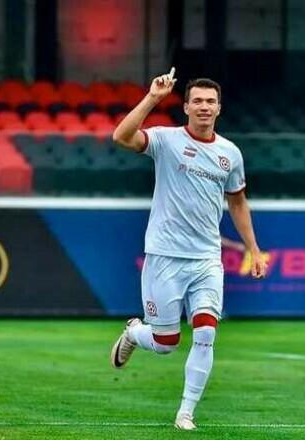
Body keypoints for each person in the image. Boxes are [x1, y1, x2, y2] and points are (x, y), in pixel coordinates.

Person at [110, 68, 266, 430]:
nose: (204, 106)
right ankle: (134, 332)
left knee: (206, 333)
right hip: (165, 256)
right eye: (197, 101)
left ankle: (186, 413)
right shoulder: (166, 140)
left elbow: (238, 202)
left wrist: (254, 249)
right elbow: (121, 136)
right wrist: (153, 98)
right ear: (186, 107)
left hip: (207, 259)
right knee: (166, 342)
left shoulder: (230, 153)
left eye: (210, 101)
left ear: (219, 108)